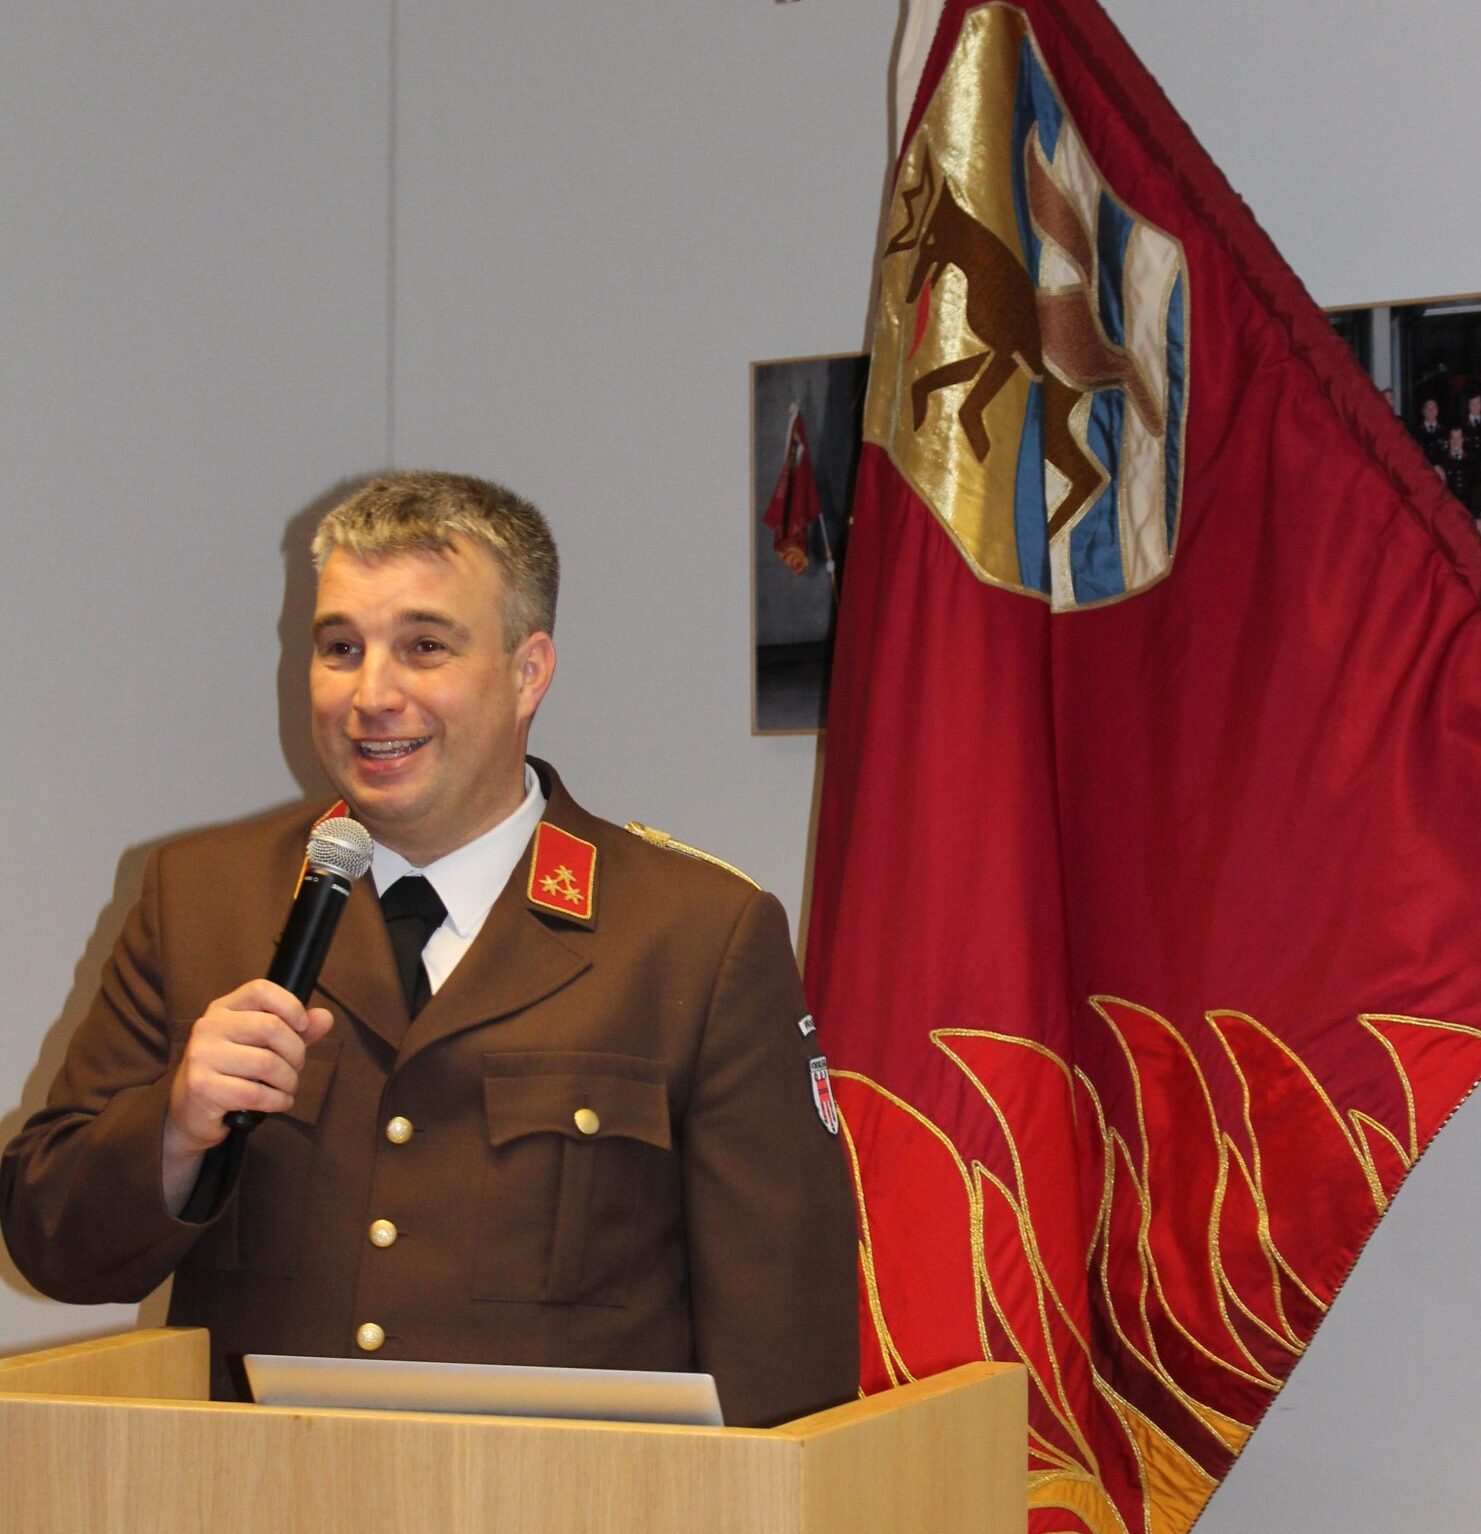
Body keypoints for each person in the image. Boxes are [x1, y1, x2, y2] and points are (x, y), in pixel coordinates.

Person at [0, 474, 860, 1426]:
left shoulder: (694, 934)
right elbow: (50, 1243)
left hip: (571, 1515)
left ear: (529, 671)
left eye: (424, 647)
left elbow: (782, 1347)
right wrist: (174, 1128)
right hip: (261, 1508)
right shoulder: (204, 898)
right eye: (340, 649)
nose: (371, 695)